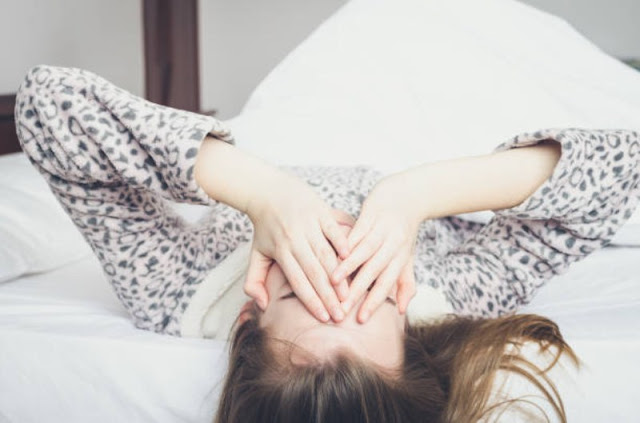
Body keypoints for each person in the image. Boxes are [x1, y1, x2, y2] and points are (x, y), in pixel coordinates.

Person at [15, 65, 640, 422]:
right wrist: (413, 196)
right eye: (370, 291)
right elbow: (622, 170)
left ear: (248, 318)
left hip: (258, 151)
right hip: (422, 159)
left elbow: (50, 103)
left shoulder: (177, 292)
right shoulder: (451, 296)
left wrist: (262, 192)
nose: (338, 261)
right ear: (408, 325)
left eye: (304, 287)